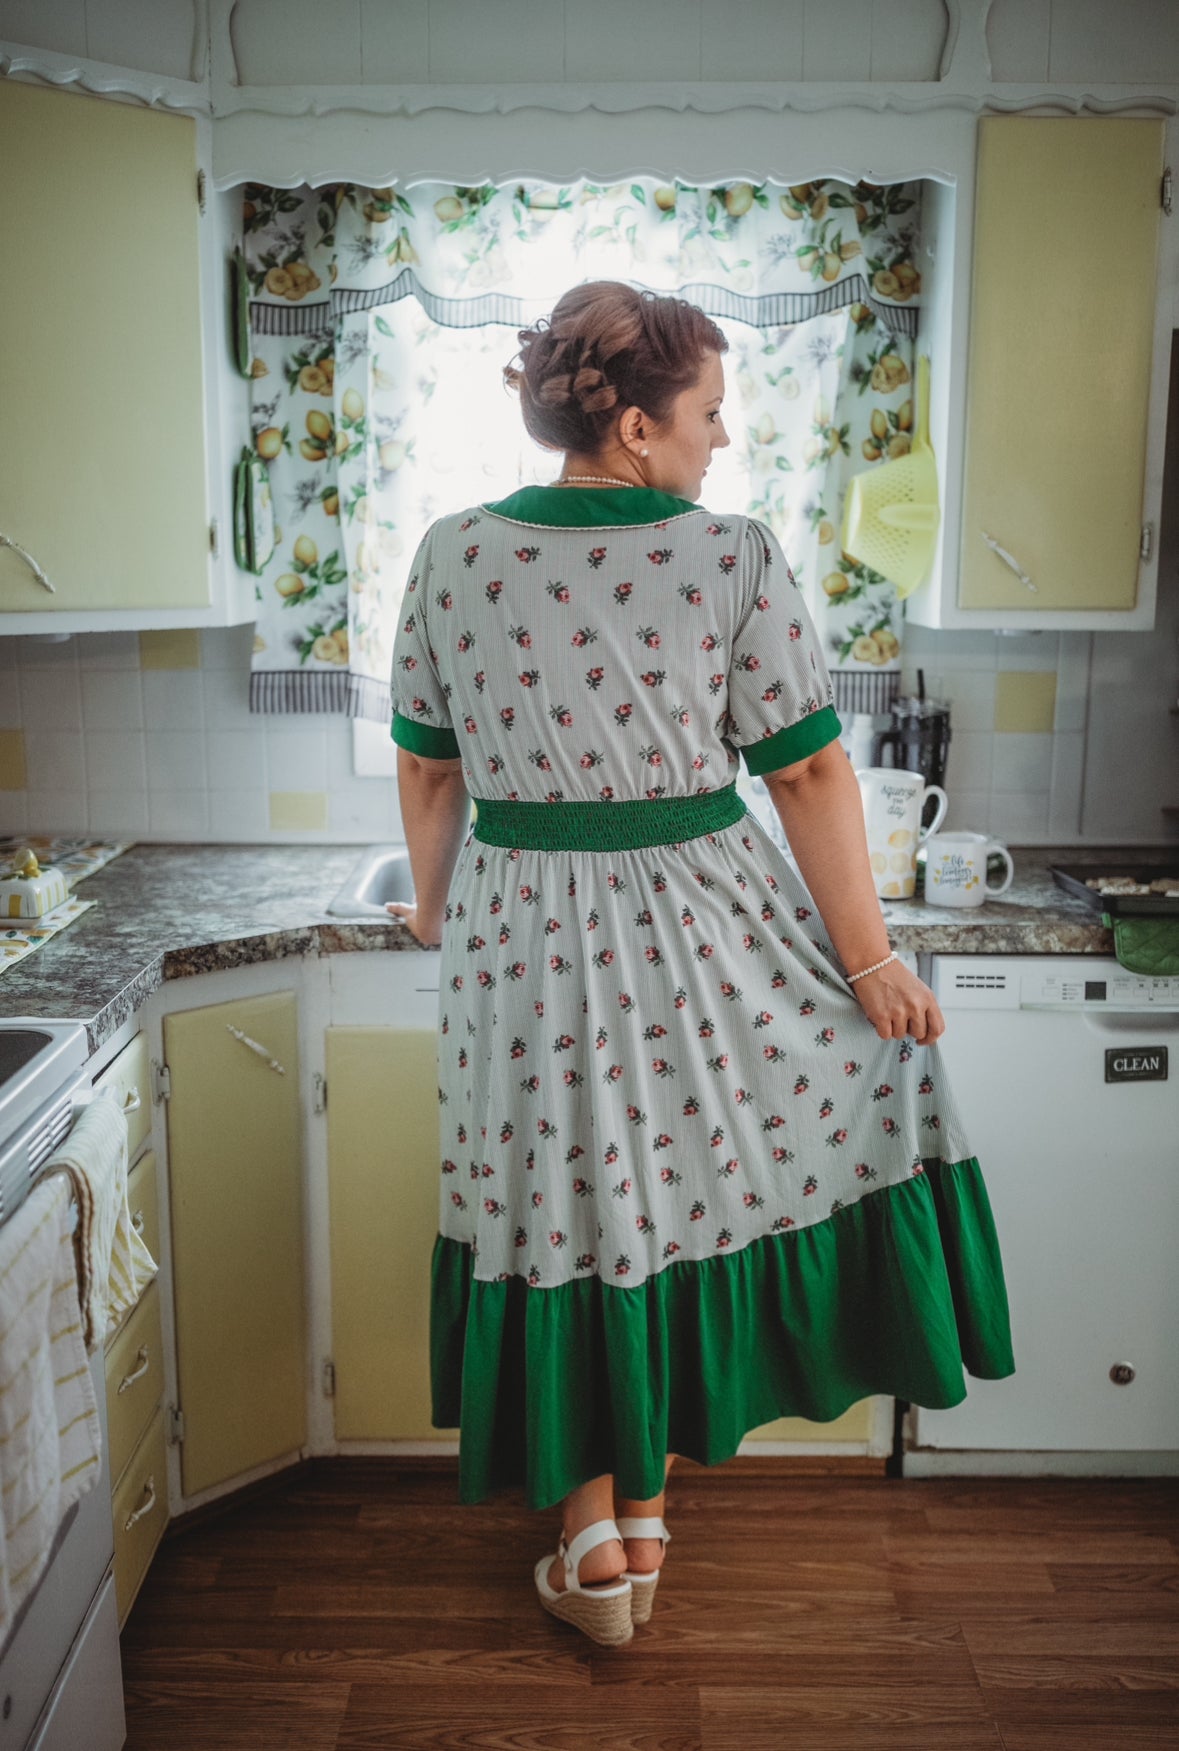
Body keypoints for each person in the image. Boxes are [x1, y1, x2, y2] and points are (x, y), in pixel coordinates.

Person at [387, 279, 1014, 1648]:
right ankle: (642, 1517)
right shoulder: (729, 555)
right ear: (629, 427)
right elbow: (809, 777)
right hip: (704, 930)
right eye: (710, 414)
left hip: (520, 935)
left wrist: (436, 909)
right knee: (672, 1189)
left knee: (567, 1198)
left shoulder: (450, 551)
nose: (722, 440)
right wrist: (869, 965)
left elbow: (429, 766)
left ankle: (600, 1535)